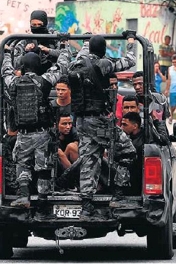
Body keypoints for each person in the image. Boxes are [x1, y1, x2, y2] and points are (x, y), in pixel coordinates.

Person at [67, 32, 137, 220]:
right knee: (128, 151)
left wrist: (84, 43)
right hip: (99, 120)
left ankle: (87, 204)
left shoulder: (76, 63)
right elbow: (130, 60)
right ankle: (119, 193)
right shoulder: (104, 64)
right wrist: (130, 41)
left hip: (81, 121)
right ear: (104, 50)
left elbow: (82, 55)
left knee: (89, 160)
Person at [2, 45, 70, 220]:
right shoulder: (43, 81)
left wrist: (8, 53)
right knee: (43, 169)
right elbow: (62, 66)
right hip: (42, 134)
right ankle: (42, 206)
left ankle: (23, 195)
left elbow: (6, 70)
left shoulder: (13, 82)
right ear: (38, 66)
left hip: (23, 134)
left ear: (23, 68)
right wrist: (63, 47)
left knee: (22, 165)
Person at [12, 10, 60, 75]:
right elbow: (15, 64)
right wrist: (26, 52)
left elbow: (65, 55)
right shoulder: (25, 40)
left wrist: (48, 50)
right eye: (34, 25)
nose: (37, 27)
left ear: (45, 23)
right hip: (30, 77)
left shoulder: (54, 37)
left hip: (52, 75)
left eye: (40, 24)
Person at [120, 112, 143, 195]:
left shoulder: (138, 143)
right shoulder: (129, 137)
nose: (122, 127)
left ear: (135, 126)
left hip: (133, 182)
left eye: (125, 125)